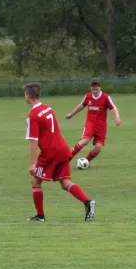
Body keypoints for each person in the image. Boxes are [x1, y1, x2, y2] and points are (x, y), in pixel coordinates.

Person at [24, 82, 95, 222]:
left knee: (35, 181)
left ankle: (40, 216)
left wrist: (32, 164)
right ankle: (88, 202)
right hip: (62, 149)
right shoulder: (47, 108)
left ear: (27, 95)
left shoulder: (33, 115)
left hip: (50, 152)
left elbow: (33, 140)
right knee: (65, 182)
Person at [66, 78, 121, 164]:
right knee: (85, 141)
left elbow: (114, 108)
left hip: (101, 126)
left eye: (96, 89)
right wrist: (71, 114)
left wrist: (117, 117)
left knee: (98, 147)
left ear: (100, 88)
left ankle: (86, 161)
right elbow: (81, 105)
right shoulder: (88, 96)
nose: (94, 91)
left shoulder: (106, 97)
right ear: (90, 88)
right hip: (90, 124)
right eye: (93, 89)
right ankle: (68, 158)